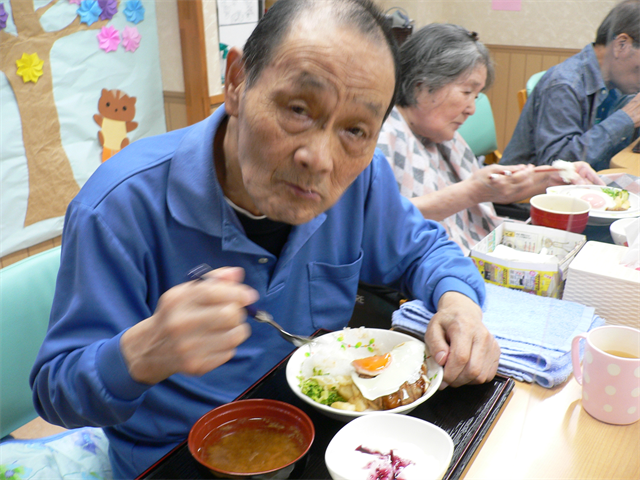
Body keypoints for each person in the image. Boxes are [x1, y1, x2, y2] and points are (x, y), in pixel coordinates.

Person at [30, 1, 500, 478]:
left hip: (326, 433)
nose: (319, 158)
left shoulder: (361, 179)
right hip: (178, 455)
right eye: (298, 108)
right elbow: (56, 394)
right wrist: (141, 352)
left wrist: (459, 302)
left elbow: (426, 249)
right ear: (236, 80)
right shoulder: (120, 205)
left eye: (355, 129)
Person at [377, 23, 602, 254]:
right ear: (421, 86)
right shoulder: (382, 137)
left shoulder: (440, 134)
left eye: (476, 96)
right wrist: (473, 191)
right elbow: (377, 221)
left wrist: (552, 178)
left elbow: (489, 194)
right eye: (466, 92)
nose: (471, 109)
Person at [500, 0, 640, 170]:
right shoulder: (564, 84)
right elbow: (557, 166)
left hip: (588, 184)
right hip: (533, 193)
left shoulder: (618, 82)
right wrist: (624, 119)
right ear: (621, 44)